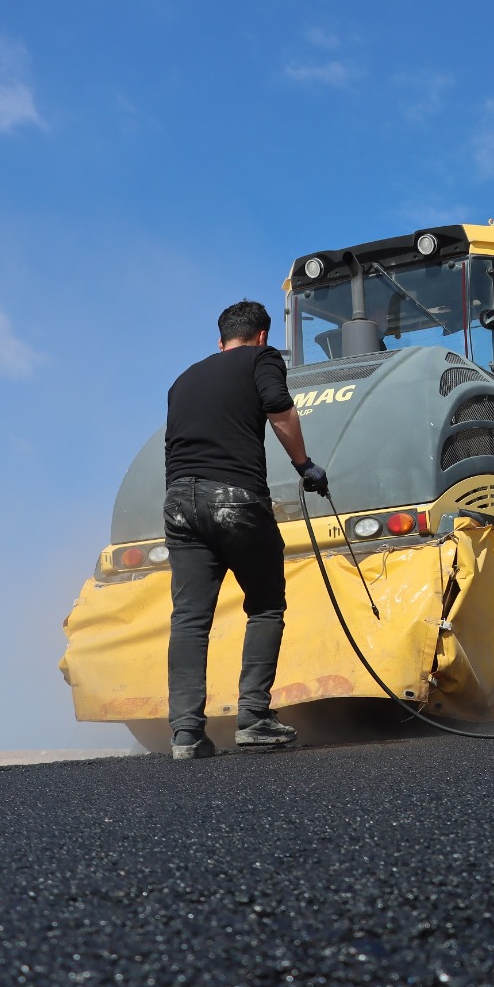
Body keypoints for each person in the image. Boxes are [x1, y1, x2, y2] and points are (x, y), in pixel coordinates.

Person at [164, 300, 330, 759]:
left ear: (220, 343)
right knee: (265, 605)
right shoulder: (262, 359)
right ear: (261, 335)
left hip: (179, 502)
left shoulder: (183, 380)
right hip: (235, 497)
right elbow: (279, 410)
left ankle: (185, 733)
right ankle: (254, 718)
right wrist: (305, 467)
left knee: (190, 619)